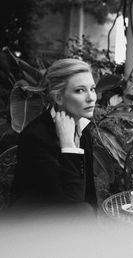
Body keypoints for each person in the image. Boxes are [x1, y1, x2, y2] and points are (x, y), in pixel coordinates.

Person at [11, 58, 97, 207]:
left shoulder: (82, 127)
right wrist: (68, 145)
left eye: (92, 89)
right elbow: (72, 201)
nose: (91, 98)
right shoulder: (36, 138)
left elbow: (89, 191)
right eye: (80, 90)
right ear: (58, 97)